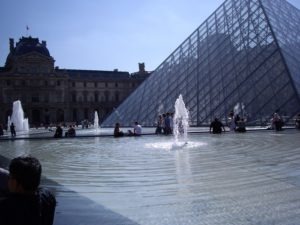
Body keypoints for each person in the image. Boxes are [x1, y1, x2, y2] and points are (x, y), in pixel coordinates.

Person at [0, 156, 56, 225]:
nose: (8, 180)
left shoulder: (5, 208)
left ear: (16, 183)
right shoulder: (48, 198)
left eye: (10, 177)